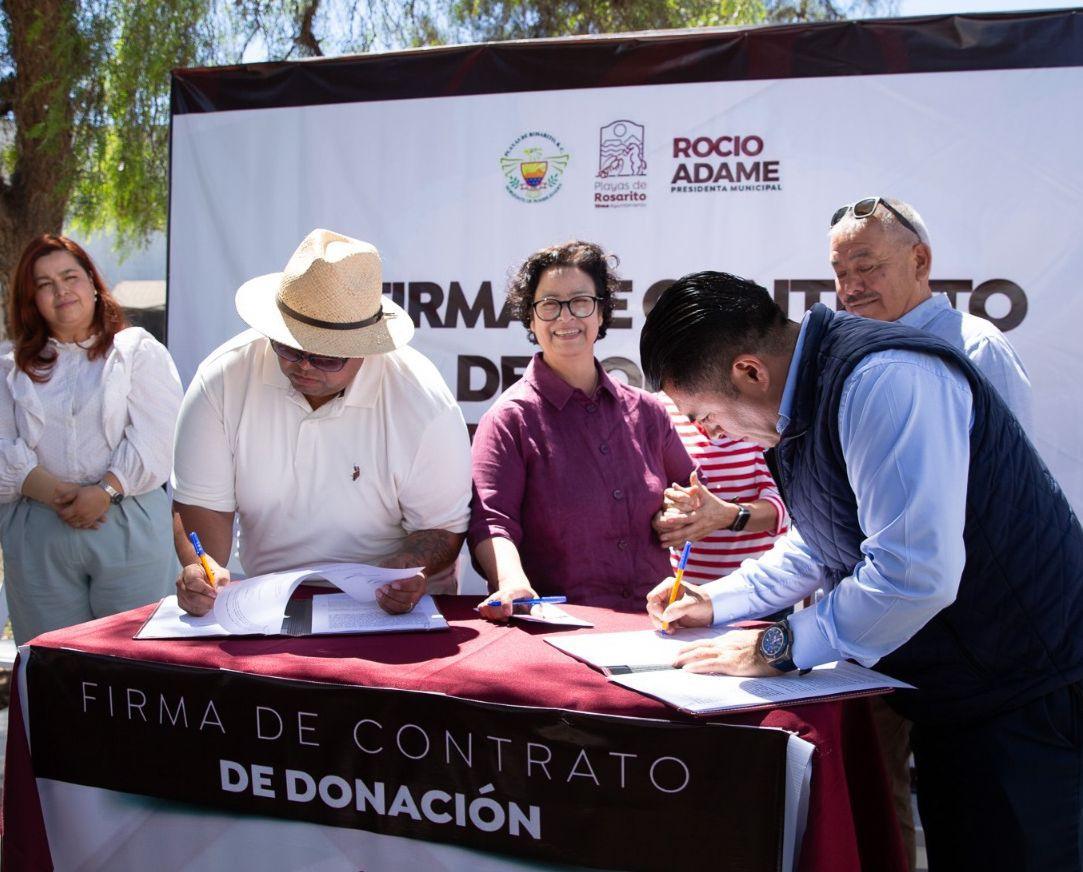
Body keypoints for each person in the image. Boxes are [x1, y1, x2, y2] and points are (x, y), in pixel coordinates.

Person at [640, 271, 1083, 872]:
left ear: (749, 372)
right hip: (958, 693)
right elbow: (822, 540)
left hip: (1025, 692)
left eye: (705, 416)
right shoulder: (806, 397)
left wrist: (778, 646)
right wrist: (717, 601)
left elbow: (912, 574)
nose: (708, 434)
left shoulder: (884, 381)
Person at [829, 195, 1035, 869]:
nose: (851, 285)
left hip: (967, 634)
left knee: (973, 811)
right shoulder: (849, 350)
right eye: (839, 271)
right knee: (876, 795)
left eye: (866, 265)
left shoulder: (976, 349)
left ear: (919, 260)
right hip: (874, 620)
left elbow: (1008, 495)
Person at [172, 229, 470, 617]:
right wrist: (203, 570)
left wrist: (404, 571)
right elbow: (202, 504)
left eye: (326, 358)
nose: (305, 367)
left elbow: (443, 527)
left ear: (367, 349)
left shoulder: (422, 401)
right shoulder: (223, 378)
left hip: (388, 605)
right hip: (266, 599)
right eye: (288, 348)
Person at [469, 240, 693, 619]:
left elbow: (689, 489)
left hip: (656, 624)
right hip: (562, 630)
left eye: (580, 302)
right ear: (530, 318)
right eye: (549, 304)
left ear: (601, 313)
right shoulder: (509, 419)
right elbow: (492, 522)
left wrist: (680, 512)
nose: (566, 317)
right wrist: (510, 582)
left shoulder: (649, 411)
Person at [0, 234, 182, 644]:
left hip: (127, 519)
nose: (61, 290)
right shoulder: (8, 367)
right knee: (54, 660)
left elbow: (160, 436)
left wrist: (105, 491)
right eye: (44, 284)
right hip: (40, 527)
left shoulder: (135, 351)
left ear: (93, 284)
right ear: (31, 301)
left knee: (138, 656)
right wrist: (57, 495)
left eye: (70, 277)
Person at [652, 394, 788, 581]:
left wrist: (728, 515)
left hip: (759, 587)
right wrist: (670, 513)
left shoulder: (758, 412)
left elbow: (785, 508)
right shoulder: (659, 409)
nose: (716, 432)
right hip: (686, 584)